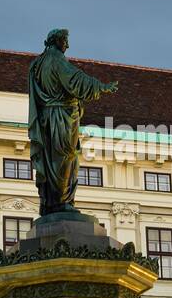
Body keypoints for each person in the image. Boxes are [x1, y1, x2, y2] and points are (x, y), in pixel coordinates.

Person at [27, 29, 117, 215]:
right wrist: (101, 86)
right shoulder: (56, 59)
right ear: (57, 41)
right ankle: (61, 201)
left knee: (52, 158)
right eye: (65, 41)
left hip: (46, 118)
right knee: (65, 157)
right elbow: (75, 79)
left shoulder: (37, 63)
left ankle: (50, 202)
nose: (67, 45)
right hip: (61, 116)